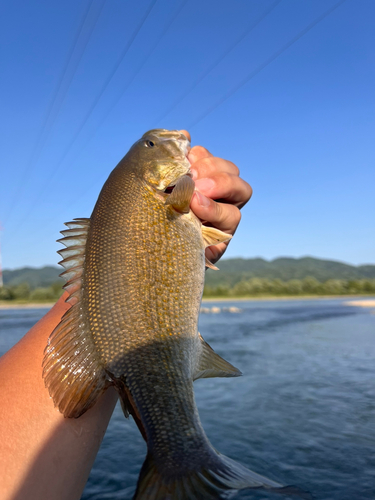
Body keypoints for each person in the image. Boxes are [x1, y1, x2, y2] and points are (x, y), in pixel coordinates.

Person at [0, 131, 252, 500]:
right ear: (156, 176)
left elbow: (112, 299)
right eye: (151, 145)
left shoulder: (169, 196)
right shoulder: (171, 195)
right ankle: (182, 459)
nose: (166, 139)